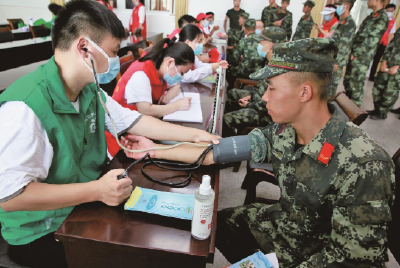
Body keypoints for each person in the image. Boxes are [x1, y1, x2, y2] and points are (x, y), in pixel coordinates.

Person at [122, 38, 395, 267]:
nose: (264, 97)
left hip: (316, 254)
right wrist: (154, 149)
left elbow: (352, 261)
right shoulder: (285, 130)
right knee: (215, 225)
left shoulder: (364, 164)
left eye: (272, 88)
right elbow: (214, 152)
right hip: (287, 225)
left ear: (304, 92)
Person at [0, 2, 218, 267]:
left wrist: (193, 136)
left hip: (86, 201)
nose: (117, 61)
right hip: (43, 230)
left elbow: (135, 121)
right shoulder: (25, 108)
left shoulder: (89, 90)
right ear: (84, 48)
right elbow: (10, 198)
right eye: (114, 52)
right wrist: (96, 190)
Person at [223, 27, 286, 138]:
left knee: (227, 119)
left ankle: (233, 144)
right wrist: (251, 96)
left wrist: (250, 104)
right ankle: (237, 130)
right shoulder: (271, 62)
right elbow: (262, 89)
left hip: (267, 114)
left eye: (261, 42)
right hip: (258, 100)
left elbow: (268, 104)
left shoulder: (278, 70)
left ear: (270, 45)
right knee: (232, 94)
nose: (259, 45)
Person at [343, 0, 388, 107]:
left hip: (362, 57)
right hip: (355, 54)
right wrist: (351, 51)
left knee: (356, 84)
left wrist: (356, 53)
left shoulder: (382, 17)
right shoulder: (371, 16)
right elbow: (359, 35)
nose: (367, 1)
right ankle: (348, 107)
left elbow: (371, 40)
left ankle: (355, 112)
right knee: (348, 81)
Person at [328, 0, 356, 99]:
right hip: (332, 58)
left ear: (347, 6)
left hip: (337, 61)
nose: (338, 7)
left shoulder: (350, 23)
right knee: (328, 83)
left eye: (340, 5)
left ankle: (327, 106)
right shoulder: (342, 21)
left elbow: (344, 46)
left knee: (332, 85)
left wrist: (336, 61)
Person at [369, 27, 400, 120]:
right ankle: (377, 109)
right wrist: (384, 60)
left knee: (390, 91)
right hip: (388, 64)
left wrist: (398, 65)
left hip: (397, 68)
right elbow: (391, 45)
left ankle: (382, 112)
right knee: (378, 88)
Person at [369, 3, 397, 82]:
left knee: (377, 60)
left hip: (383, 43)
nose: (390, 12)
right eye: (388, 10)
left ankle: (372, 75)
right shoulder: (380, 17)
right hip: (375, 41)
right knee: (369, 57)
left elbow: (391, 33)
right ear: (385, 9)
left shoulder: (393, 20)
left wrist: (388, 45)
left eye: (391, 11)